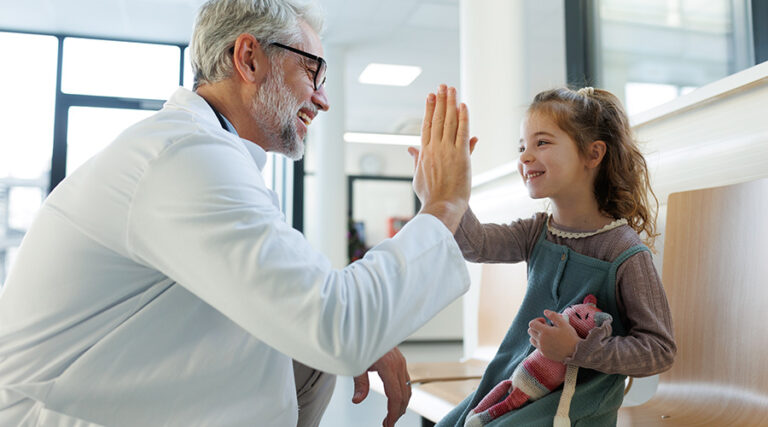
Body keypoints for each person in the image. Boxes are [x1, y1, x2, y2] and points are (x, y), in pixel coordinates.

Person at [0, 1, 477, 426]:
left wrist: (347, 336)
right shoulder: (185, 155)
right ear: (249, 58)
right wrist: (444, 204)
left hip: (110, 389)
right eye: (313, 72)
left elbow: (304, 306)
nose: (323, 99)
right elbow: (336, 323)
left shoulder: (210, 153)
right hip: (55, 414)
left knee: (309, 356)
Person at [436, 87, 677, 426]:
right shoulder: (538, 231)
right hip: (513, 387)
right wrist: (449, 190)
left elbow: (659, 350)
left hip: (571, 408)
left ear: (593, 155)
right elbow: (477, 245)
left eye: (542, 143)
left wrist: (577, 351)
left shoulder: (624, 252)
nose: (524, 157)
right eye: (522, 146)